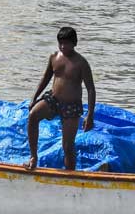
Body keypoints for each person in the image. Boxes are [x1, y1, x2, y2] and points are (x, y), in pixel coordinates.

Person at [24, 27, 96, 171]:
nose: (63, 47)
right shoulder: (54, 57)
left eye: (67, 43)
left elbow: (90, 89)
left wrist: (90, 115)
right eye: (60, 43)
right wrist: (34, 98)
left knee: (68, 146)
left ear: (74, 43)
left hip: (71, 106)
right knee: (33, 116)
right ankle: (33, 157)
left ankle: (70, 174)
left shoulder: (81, 63)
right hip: (53, 100)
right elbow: (45, 78)